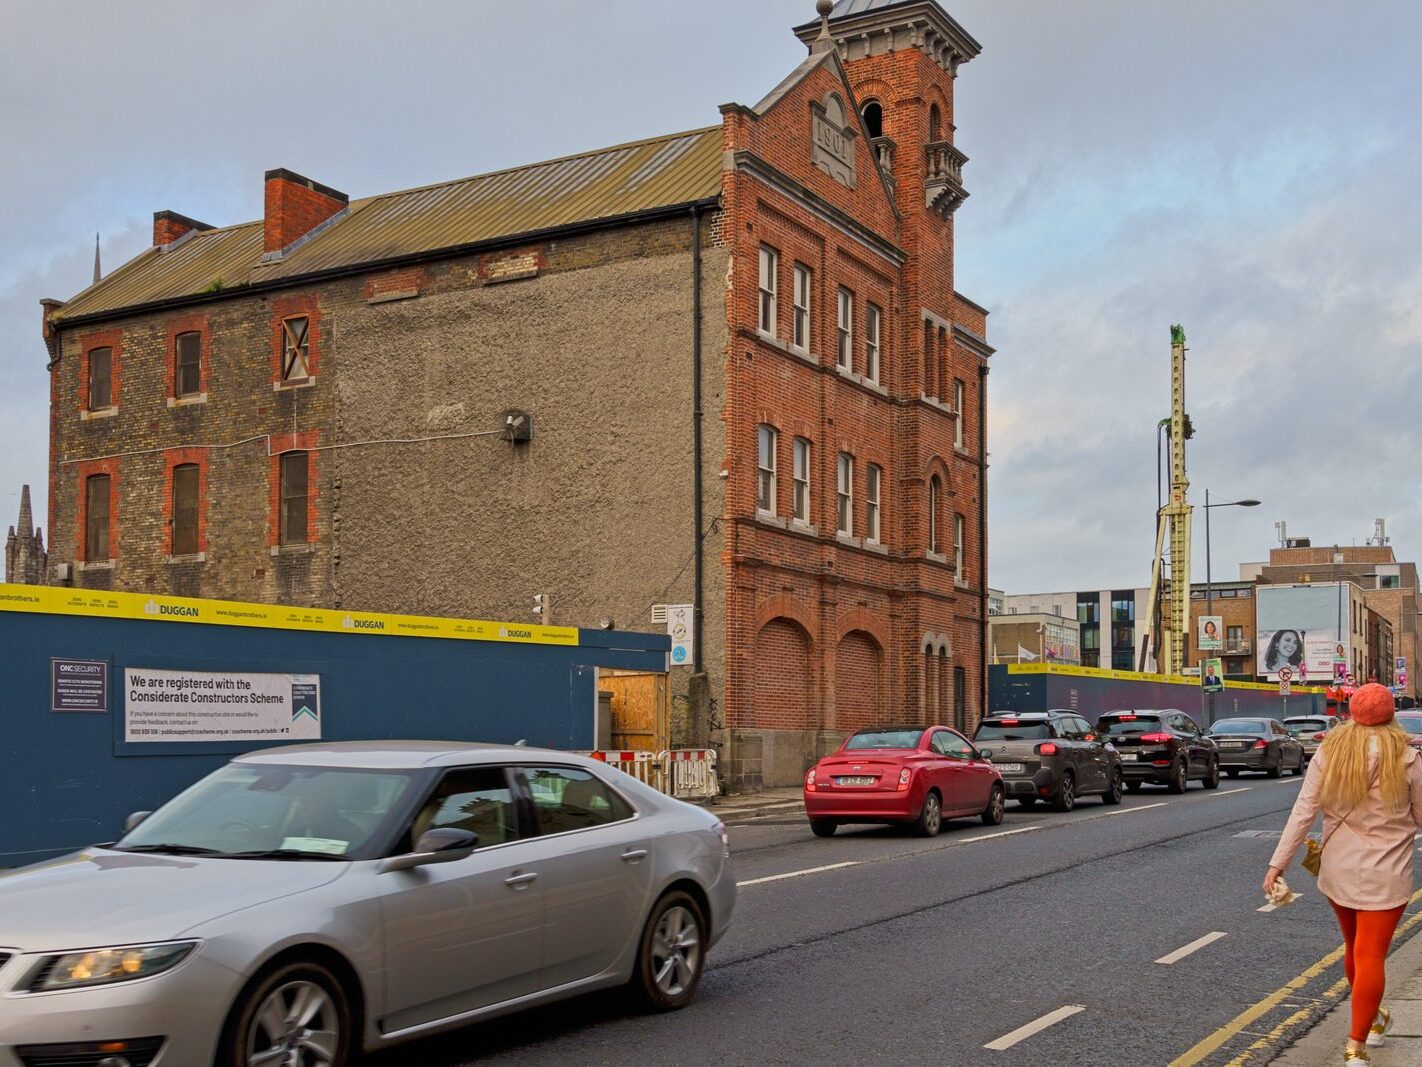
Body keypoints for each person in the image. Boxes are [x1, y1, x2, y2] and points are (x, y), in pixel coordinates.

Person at [1265, 684, 1422, 1062]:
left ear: (1351, 712)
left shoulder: (1330, 752)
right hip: (1389, 869)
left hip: (1338, 869)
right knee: (1372, 956)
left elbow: (1304, 811)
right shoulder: (1408, 758)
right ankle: (1357, 1047)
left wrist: (1277, 863)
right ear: (1391, 715)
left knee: (1354, 948)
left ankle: (1373, 1017)